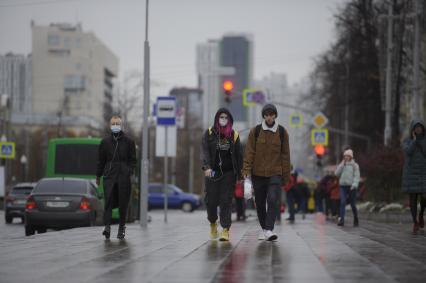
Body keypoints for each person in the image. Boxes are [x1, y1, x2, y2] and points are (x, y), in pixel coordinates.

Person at [242, 104, 291, 241]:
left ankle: (269, 229)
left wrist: (286, 177)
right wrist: (246, 171)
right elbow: (249, 153)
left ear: (275, 115)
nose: (269, 117)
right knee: (260, 203)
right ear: (263, 116)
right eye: (267, 114)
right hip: (258, 173)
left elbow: (285, 155)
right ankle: (264, 229)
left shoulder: (282, 132)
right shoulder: (255, 131)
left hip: (275, 173)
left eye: (272, 114)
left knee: (273, 199)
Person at [201, 108, 243, 241]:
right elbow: (205, 152)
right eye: (221, 117)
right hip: (213, 172)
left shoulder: (234, 135)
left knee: (226, 201)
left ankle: (225, 229)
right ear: (217, 118)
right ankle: (213, 223)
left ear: (229, 120)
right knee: (211, 201)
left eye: (226, 117)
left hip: (229, 173)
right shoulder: (208, 133)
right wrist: (206, 167)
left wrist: (241, 174)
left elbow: (239, 155)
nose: (223, 119)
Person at [96, 116, 136, 240]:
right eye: (113, 123)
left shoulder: (129, 142)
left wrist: (129, 171)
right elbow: (100, 161)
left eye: (117, 123)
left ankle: (121, 228)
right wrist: (98, 175)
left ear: (121, 125)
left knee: (123, 203)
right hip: (109, 175)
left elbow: (133, 160)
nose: (115, 125)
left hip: (123, 176)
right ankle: (107, 227)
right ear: (110, 125)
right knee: (108, 201)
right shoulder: (105, 142)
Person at [402, 119, 426, 234]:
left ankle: (421, 215)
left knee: (424, 198)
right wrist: (415, 141)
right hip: (411, 174)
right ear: (413, 130)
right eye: (416, 127)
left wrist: (420, 142)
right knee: (413, 200)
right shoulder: (407, 141)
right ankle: (415, 221)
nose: (418, 129)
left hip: (423, 173)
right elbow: (408, 152)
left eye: (420, 127)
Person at [335, 149, 360, 227]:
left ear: (351, 157)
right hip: (343, 186)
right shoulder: (342, 164)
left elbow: (357, 176)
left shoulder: (355, 165)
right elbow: (336, 174)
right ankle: (341, 220)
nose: (346, 157)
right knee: (342, 202)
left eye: (348, 156)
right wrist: (342, 165)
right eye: (345, 156)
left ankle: (356, 218)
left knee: (353, 204)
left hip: (352, 187)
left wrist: (355, 185)